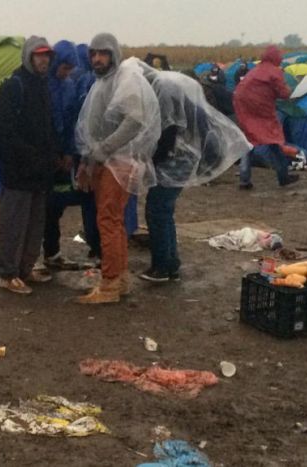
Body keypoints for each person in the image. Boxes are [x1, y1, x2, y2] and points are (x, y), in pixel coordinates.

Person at [136, 61, 250, 282]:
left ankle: (161, 267)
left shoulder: (167, 100)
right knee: (164, 212)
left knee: (156, 211)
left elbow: (167, 138)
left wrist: (151, 160)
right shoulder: (183, 100)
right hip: (184, 162)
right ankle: (171, 264)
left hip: (174, 164)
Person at [75, 33, 161, 304]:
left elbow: (134, 119)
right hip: (106, 161)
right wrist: (89, 160)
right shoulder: (104, 81)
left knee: (108, 221)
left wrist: (104, 149)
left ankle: (110, 284)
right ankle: (120, 278)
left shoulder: (125, 78)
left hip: (118, 162)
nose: (97, 58)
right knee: (114, 221)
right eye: (93, 53)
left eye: (103, 53)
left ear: (114, 54)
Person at [0, 36, 59, 294]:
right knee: (13, 223)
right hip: (18, 171)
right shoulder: (14, 85)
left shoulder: (43, 85)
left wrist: (52, 155)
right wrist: (28, 155)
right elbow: (3, 130)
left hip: (40, 172)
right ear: (29, 56)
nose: (44, 60)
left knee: (35, 224)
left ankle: (25, 268)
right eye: (39, 55)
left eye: (47, 55)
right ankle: (7, 274)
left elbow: (46, 126)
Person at [42, 40, 100, 269]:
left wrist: (68, 152)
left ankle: (52, 253)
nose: (67, 72)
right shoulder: (43, 85)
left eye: (70, 69)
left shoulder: (68, 86)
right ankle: (47, 251)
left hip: (63, 158)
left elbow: (71, 120)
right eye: (65, 67)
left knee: (56, 205)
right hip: (45, 156)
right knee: (45, 207)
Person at [233, 46, 298, 189]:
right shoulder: (275, 72)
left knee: (249, 140)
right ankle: (283, 176)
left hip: (242, 106)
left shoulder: (256, 70)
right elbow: (284, 94)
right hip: (260, 109)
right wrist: (291, 90)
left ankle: (244, 179)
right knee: (274, 139)